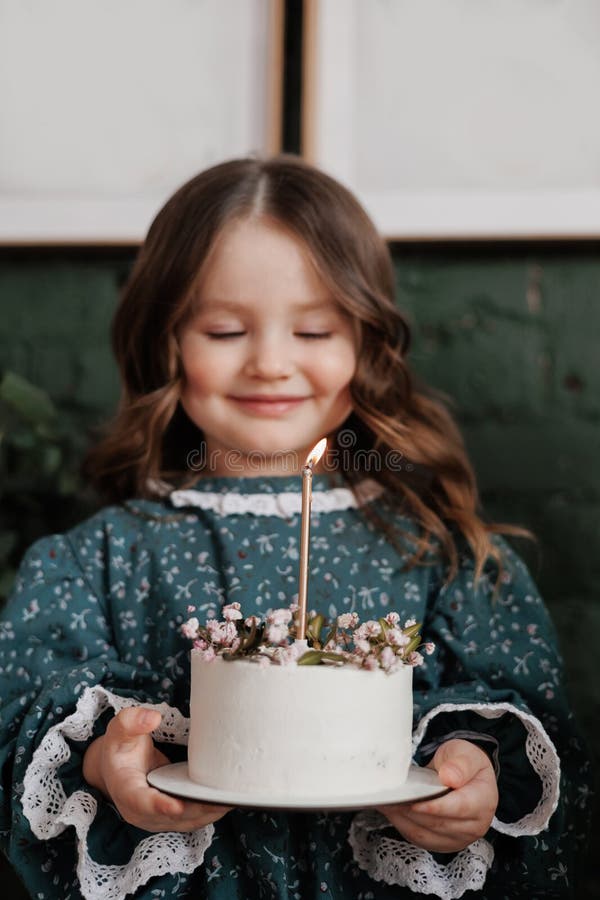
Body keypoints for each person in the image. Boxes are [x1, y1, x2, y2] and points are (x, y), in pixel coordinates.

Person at [0, 155, 591, 900]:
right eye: (223, 329)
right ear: (166, 342)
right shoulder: (98, 562)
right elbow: (21, 717)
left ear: (366, 345)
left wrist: (471, 772)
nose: (271, 363)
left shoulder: (445, 557)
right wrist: (101, 764)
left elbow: (538, 733)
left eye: (313, 329)